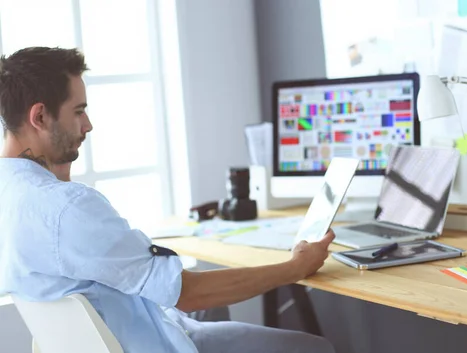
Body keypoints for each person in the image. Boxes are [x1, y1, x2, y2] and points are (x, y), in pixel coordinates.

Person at [0, 47, 336, 353]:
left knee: (209, 309)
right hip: (157, 345)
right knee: (317, 348)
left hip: (123, 331)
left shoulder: (15, 194)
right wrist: (296, 267)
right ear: (40, 117)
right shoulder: (67, 207)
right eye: (78, 111)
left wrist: (58, 165)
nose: (88, 125)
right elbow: (188, 293)